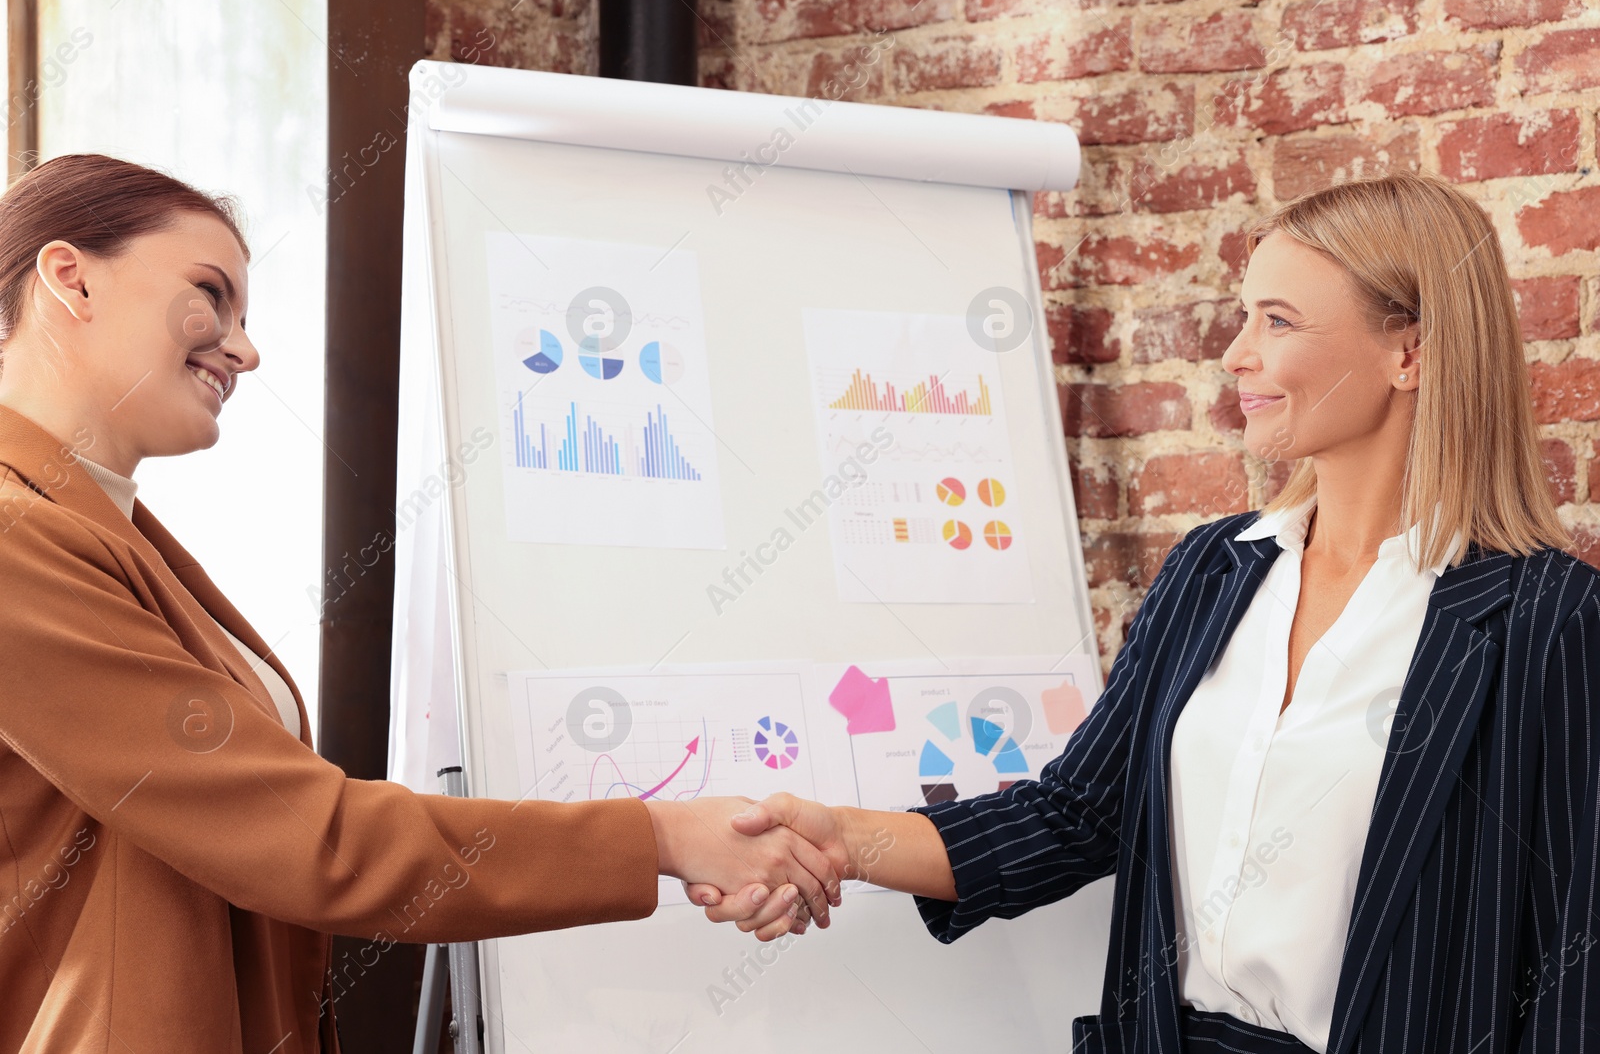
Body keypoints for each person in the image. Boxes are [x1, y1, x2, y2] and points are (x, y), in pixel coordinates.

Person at [691, 171, 1600, 1053]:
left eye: (1276, 321)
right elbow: (1076, 816)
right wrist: (843, 838)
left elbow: (1574, 960)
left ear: (1411, 352)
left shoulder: (1546, 619)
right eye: (1244, 315)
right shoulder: (1213, 569)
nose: (1235, 353)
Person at [0, 153, 840, 1052]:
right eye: (212, 294)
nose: (247, 349)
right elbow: (316, 841)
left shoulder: (102, 529)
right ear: (70, 279)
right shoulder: (18, 540)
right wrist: (661, 836)